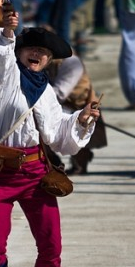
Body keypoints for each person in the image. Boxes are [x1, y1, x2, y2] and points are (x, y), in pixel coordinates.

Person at [0, 5, 99, 267]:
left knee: (51, 248)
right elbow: (0, 55)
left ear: (49, 61)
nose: (38, 55)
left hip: (35, 175)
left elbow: (58, 135)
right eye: (32, 49)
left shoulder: (47, 93)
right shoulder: (6, 77)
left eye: (44, 53)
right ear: (20, 52)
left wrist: (82, 120)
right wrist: (6, 30)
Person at [44, 35, 107, 174]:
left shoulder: (71, 63)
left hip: (78, 106)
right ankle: (52, 163)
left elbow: (60, 93)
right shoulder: (47, 64)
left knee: (75, 131)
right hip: (61, 105)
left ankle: (78, 162)